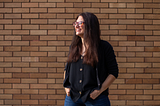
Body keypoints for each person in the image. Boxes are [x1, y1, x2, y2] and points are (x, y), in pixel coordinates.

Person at [63, 12, 118, 106]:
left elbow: (113, 72)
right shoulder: (74, 47)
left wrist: (99, 90)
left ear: (90, 26)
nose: (76, 26)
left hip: (96, 98)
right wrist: (66, 87)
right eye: (75, 23)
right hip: (73, 98)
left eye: (80, 23)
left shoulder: (104, 47)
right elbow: (67, 69)